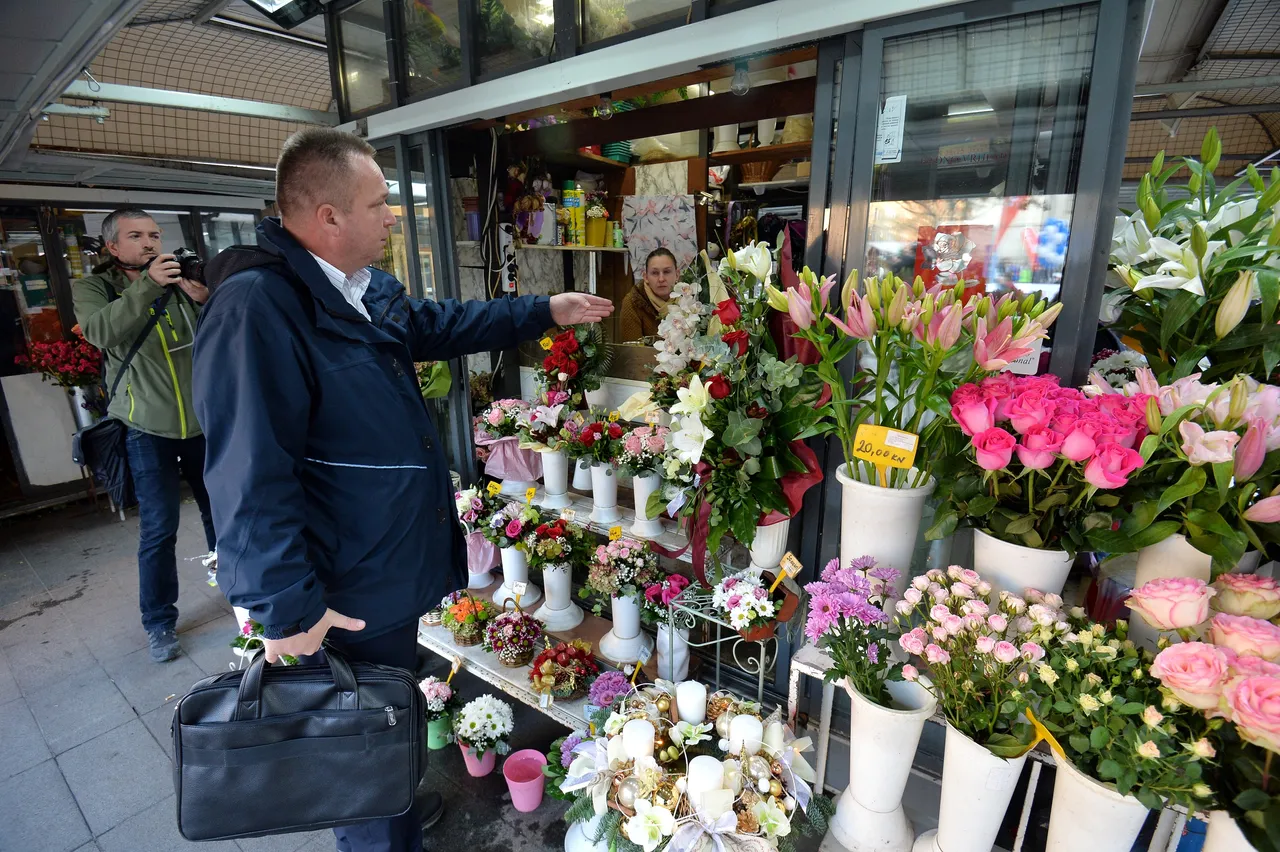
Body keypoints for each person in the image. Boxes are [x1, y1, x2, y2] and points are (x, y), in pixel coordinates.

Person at [191, 127, 613, 852]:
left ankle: (390, 811)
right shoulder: (260, 309)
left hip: (381, 571)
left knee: (385, 729)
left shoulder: (354, 289)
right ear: (327, 216)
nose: (392, 216)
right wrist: (290, 612)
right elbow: (248, 476)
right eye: (379, 202)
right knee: (356, 749)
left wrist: (543, 311)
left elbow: (438, 322)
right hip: (338, 593)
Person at [72, 208, 217, 664]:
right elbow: (100, 331)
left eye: (154, 234)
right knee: (159, 529)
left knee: (225, 514)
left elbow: (218, 332)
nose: (150, 243)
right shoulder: (95, 287)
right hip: (144, 427)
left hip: (203, 422)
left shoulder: (177, 281)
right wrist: (149, 285)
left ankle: (246, 594)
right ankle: (158, 621)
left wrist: (204, 298)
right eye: (136, 236)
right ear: (113, 246)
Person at [618, 247, 678, 341]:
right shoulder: (632, 302)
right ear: (646, 277)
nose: (661, 279)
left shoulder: (688, 299)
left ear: (677, 275)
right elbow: (632, 352)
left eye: (666, 272)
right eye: (655, 273)